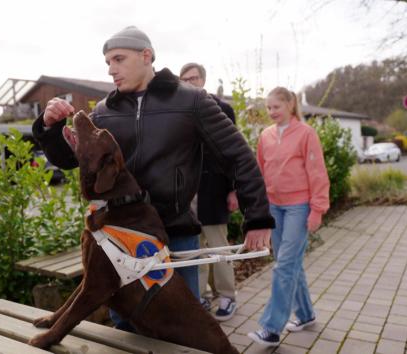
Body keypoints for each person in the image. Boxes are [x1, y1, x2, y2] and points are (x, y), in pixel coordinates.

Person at [32, 25, 275, 329]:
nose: (111, 70)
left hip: (175, 233)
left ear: (146, 56)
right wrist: (50, 129)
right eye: (108, 62)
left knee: (181, 326)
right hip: (121, 239)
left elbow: (238, 156)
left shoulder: (192, 100)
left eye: (118, 59)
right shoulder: (105, 111)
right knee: (125, 324)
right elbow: (69, 160)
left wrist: (259, 218)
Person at [247, 87, 330, 347]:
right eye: (269, 108)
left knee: (284, 266)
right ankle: (305, 315)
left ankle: (271, 328)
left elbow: (317, 172)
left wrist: (317, 209)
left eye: (276, 107)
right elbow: (260, 172)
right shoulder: (265, 136)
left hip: (299, 206)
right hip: (274, 207)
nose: (271, 112)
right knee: (290, 264)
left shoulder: (306, 134)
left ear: (290, 105)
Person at [179, 62, 239, 321]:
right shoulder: (178, 111)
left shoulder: (222, 109)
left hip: (215, 189)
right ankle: (200, 296)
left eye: (194, 78)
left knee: (218, 247)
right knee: (196, 249)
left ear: (203, 80)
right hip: (188, 193)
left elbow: (234, 152)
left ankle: (227, 296)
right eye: (185, 79)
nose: (190, 82)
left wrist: (234, 190)